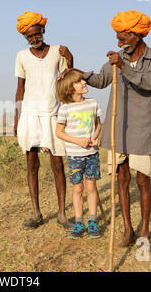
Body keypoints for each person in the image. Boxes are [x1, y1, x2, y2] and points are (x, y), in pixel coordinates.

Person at [60, 10, 151, 249]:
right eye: (117, 38)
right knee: (121, 178)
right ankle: (128, 229)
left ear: (137, 35)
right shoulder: (116, 58)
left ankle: (145, 230)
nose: (118, 43)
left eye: (123, 38)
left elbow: (150, 83)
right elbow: (100, 80)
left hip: (144, 128)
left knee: (143, 180)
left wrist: (123, 67)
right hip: (118, 127)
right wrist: (76, 71)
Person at [14, 11, 73, 229]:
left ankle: (62, 214)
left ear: (43, 31)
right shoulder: (21, 56)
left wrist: (70, 57)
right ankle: (36, 214)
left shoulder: (58, 51)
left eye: (36, 34)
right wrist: (17, 119)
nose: (33, 39)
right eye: (29, 37)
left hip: (52, 112)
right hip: (29, 114)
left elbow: (68, 77)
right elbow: (19, 89)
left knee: (57, 163)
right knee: (32, 164)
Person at [55, 68, 103, 239]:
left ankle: (92, 221)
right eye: (79, 81)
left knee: (91, 187)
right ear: (70, 88)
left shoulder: (93, 103)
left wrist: (95, 137)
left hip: (92, 154)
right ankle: (78, 222)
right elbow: (59, 132)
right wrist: (78, 141)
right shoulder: (64, 109)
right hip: (75, 156)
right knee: (77, 188)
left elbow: (98, 125)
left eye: (83, 80)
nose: (85, 82)